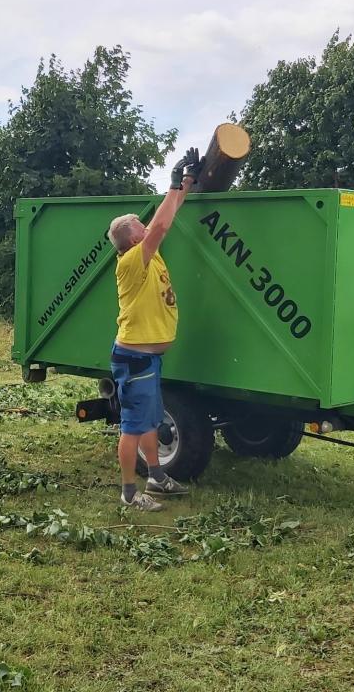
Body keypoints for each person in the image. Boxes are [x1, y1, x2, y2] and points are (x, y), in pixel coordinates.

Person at [105, 147, 201, 511]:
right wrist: (173, 182)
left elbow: (166, 218)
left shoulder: (149, 254)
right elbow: (159, 226)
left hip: (148, 360)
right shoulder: (132, 261)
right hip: (134, 360)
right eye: (140, 228)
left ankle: (157, 477)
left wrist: (186, 183)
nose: (147, 229)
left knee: (149, 421)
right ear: (133, 240)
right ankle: (129, 493)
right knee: (132, 426)